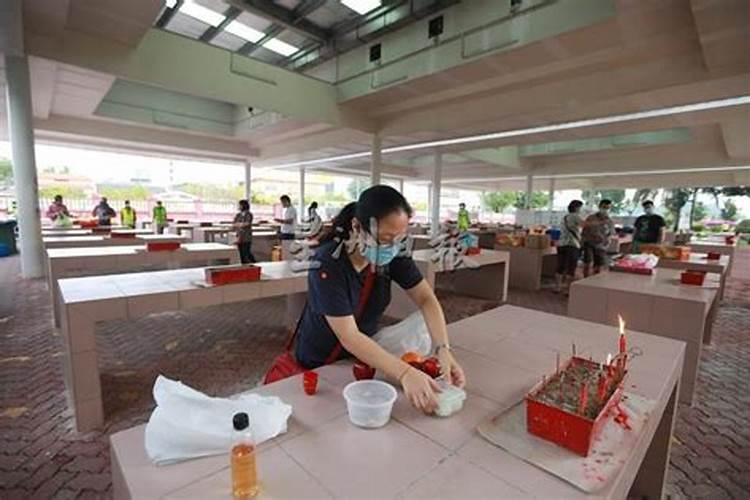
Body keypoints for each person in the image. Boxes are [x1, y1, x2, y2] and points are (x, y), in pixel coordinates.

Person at [275, 185, 466, 413]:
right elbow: (349, 335)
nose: (392, 247)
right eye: (384, 239)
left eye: (399, 238)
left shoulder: (394, 252)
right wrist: (404, 372)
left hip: (362, 358)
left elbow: (426, 298)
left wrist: (443, 348)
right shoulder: (327, 264)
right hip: (321, 362)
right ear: (357, 226)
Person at [555, 200, 584, 294]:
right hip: (572, 245)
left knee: (560, 266)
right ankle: (567, 290)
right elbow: (585, 225)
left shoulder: (565, 217)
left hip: (561, 244)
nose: (581, 210)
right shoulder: (575, 216)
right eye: (580, 207)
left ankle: (557, 287)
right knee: (571, 268)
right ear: (576, 208)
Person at [581, 199, 615, 277]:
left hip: (601, 245)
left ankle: (594, 279)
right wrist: (582, 241)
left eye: (607, 208)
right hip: (589, 243)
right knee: (587, 262)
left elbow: (611, 232)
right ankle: (585, 278)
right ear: (599, 207)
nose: (605, 209)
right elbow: (584, 230)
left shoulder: (609, 220)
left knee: (598, 264)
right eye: (604, 207)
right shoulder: (591, 217)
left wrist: (607, 240)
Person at [233, 199, 255, 264]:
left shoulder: (249, 214)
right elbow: (234, 223)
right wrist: (241, 224)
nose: (238, 206)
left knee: (247, 253)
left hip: (246, 237)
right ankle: (243, 266)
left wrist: (239, 224)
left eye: (239, 205)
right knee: (241, 254)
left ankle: (255, 264)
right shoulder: (238, 215)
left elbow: (247, 223)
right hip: (239, 236)